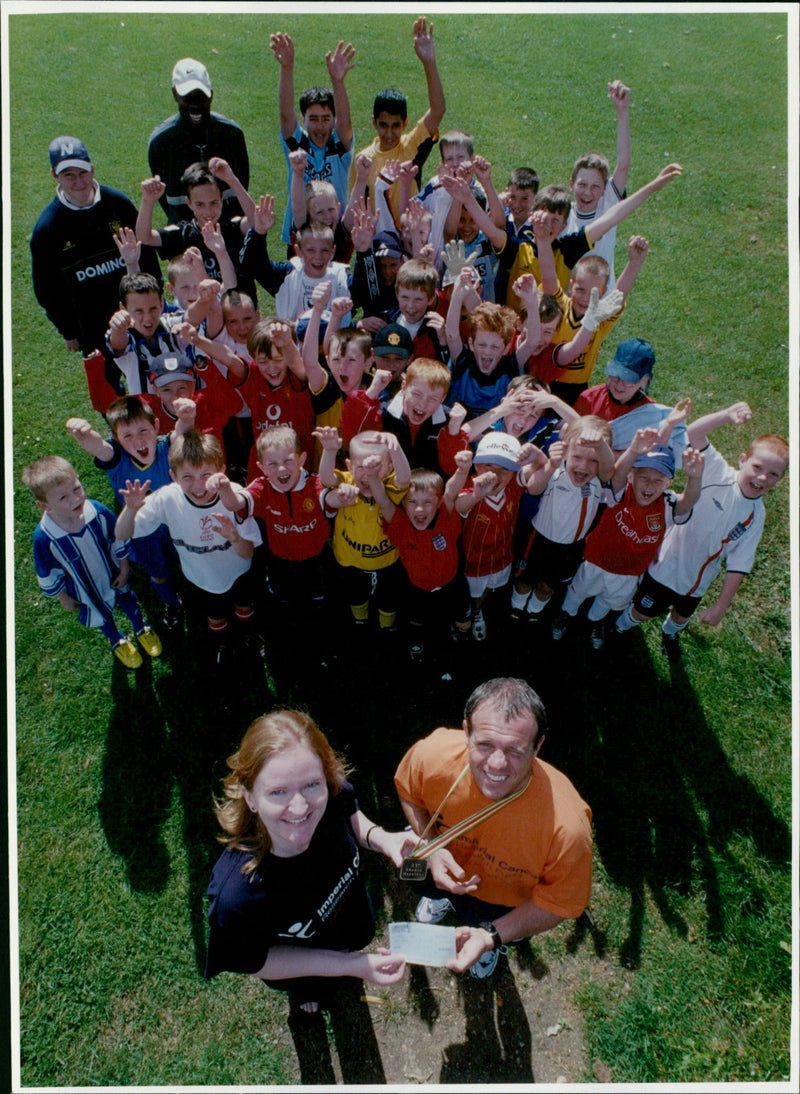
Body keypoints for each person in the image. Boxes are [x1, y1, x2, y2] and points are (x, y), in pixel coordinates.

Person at [206, 709, 409, 1013]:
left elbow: (350, 813)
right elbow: (258, 961)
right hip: (298, 960)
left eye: (312, 785)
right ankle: (306, 992)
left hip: (348, 918)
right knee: (308, 984)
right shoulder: (236, 896)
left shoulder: (329, 791)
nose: (300, 807)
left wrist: (382, 838)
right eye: (278, 792)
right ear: (249, 797)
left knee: (351, 947)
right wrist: (351, 964)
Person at [394, 677, 592, 979]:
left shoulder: (567, 827)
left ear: (538, 746)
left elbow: (558, 902)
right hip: (437, 865)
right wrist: (432, 848)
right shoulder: (432, 755)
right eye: (485, 744)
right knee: (430, 887)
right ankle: (442, 898)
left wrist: (492, 936)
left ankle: (487, 943)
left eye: (516, 750)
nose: (497, 764)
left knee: (481, 919)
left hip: (500, 901)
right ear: (465, 732)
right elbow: (409, 791)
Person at [614, 403, 789, 662]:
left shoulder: (756, 516)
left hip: (697, 581)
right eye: (757, 467)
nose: (762, 478)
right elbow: (694, 434)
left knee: (681, 616)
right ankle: (620, 627)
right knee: (642, 611)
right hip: (664, 567)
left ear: (781, 479)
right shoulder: (717, 471)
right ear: (743, 460)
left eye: (773, 474)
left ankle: (669, 633)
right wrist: (726, 415)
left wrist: (720, 605)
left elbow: (739, 564)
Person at [115, 431, 263, 666]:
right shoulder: (167, 499)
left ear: (222, 471)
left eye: (206, 474)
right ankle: (223, 643)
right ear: (172, 476)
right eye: (187, 477)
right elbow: (122, 533)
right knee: (215, 615)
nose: (199, 485)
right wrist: (131, 509)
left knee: (244, 605)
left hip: (239, 572)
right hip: (200, 578)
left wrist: (234, 536)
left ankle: (248, 635)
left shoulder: (235, 498)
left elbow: (248, 552)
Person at [551, 428, 704, 649]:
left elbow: (688, 502)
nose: (649, 485)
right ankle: (566, 614)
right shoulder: (622, 491)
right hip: (596, 560)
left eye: (658, 479)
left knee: (608, 601)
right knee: (578, 591)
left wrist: (695, 478)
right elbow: (618, 474)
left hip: (629, 571)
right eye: (643, 477)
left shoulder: (668, 503)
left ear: (668, 483)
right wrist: (633, 450)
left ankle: (595, 622)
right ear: (632, 476)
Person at [22, 455, 162, 670]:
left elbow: (119, 538)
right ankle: (117, 639)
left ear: (78, 479)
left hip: (115, 572)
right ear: (43, 505)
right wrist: (63, 598)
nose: (75, 499)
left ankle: (140, 627)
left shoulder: (97, 511)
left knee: (129, 601)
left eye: (76, 489)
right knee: (101, 614)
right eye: (63, 498)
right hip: (84, 588)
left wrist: (124, 568)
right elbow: (48, 572)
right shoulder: (45, 538)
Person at [30, 135, 161, 356]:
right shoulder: (47, 228)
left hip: (138, 314)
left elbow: (145, 252)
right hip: (90, 326)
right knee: (106, 387)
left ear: (92, 169)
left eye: (83, 173)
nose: (78, 182)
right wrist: (68, 331)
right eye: (68, 175)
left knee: (152, 374)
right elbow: (47, 289)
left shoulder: (117, 204)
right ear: (54, 175)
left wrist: (156, 300)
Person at [65, 397, 187, 630]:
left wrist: (186, 416)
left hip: (177, 521)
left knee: (185, 561)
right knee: (159, 573)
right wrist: (82, 432)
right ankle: (172, 602)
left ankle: (192, 591)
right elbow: (98, 446)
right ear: (117, 440)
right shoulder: (117, 458)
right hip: (143, 531)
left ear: (157, 427)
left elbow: (181, 432)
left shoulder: (166, 446)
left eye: (143, 431)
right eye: (127, 436)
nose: (138, 441)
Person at [349, 16, 445, 222]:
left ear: (405, 124)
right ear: (374, 122)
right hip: (377, 244)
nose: (390, 134)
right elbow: (356, 208)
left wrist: (429, 61)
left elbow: (438, 110)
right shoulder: (363, 160)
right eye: (383, 125)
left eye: (396, 126)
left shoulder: (410, 146)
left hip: (411, 240)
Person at [269, 32, 356, 251]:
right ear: (303, 120)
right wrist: (287, 67)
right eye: (313, 119)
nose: (319, 126)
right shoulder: (297, 145)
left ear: (333, 120)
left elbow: (345, 122)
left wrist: (338, 82)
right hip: (300, 232)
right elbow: (285, 114)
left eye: (326, 119)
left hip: (336, 233)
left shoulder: (340, 146)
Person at [148, 57, 250, 224]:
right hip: (184, 234)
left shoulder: (232, 134)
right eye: (187, 97)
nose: (195, 105)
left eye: (201, 96)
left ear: (211, 95)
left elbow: (241, 186)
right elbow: (166, 200)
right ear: (175, 94)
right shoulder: (161, 142)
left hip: (230, 231)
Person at [559, 79, 632, 289]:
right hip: (570, 307)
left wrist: (622, 111)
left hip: (602, 303)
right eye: (582, 184)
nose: (587, 193)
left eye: (595, 187)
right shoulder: (563, 215)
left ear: (604, 190)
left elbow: (624, 163)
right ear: (571, 184)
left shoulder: (607, 206)